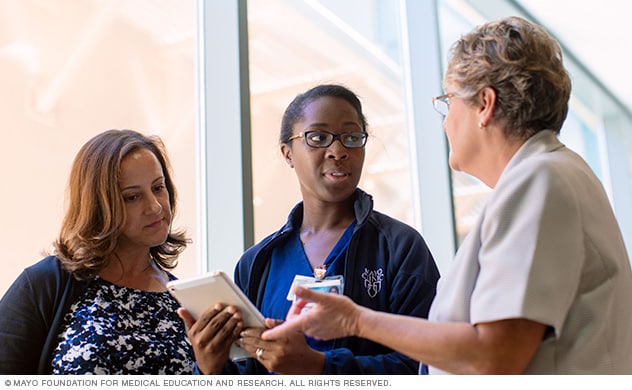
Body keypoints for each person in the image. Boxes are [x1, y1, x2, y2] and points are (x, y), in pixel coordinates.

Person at [262, 17, 632, 374]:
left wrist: (354, 320)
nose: (445, 121)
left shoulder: (540, 180)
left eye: (449, 101)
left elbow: (496, 354)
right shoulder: (551, 175)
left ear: (485, 105)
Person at [178, 84, 440, 374]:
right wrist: (209, 369)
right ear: (287, 153)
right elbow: (248, 374)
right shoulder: (257, 264)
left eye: (352, 137)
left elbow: (431, 364)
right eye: (318, 137)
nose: (338, 151)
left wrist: (321, 367)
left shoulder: (400, 248)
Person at [0, 129, 195, 374]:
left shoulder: (185, 300)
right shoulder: (46, 283)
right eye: (132, 197)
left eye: (158, 187)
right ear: (98, 206)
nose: (155, 207)